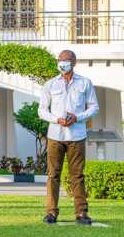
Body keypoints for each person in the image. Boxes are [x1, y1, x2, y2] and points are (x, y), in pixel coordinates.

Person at [38, 50, 99, 225]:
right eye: (60, 60)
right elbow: (42, 110)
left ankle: (81, 212)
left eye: (65, 60)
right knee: (53, 175)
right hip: (55, 135)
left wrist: (77, 117)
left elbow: (94, 107)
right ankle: (51, 212)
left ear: (74, 62)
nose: (61, 63)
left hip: (77, 134)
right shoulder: (50, 84)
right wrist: (56, 119)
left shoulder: (85, 83)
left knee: (77, 175)